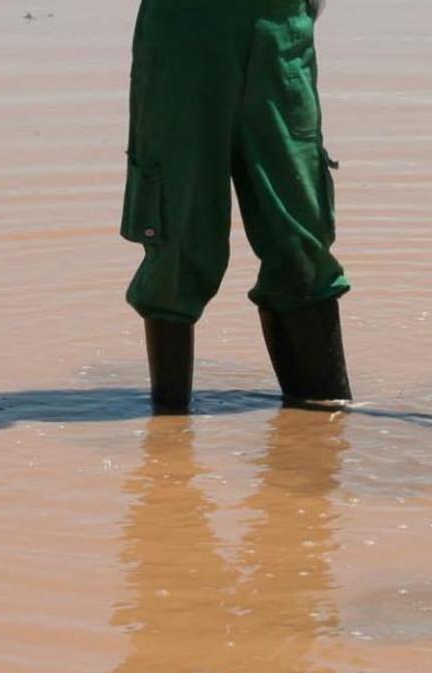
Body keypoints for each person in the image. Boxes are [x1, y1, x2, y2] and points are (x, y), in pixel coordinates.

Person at [121, 0, 351, 414]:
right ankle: (168, 437)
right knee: (178, 226)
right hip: (183, 34)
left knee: (299, 228)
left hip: (280, 34)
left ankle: (324, 423)